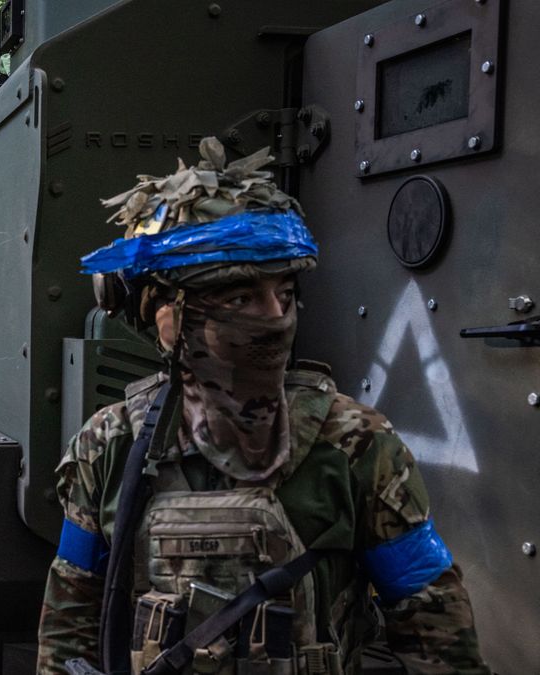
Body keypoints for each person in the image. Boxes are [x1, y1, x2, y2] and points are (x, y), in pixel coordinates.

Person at [36, 139, 488, 675]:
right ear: (167, 317)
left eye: (285, 293)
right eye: (239, 298)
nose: (273, 317)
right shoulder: (109, 447)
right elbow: (69, 629)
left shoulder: (355, 443)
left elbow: (431, 622)